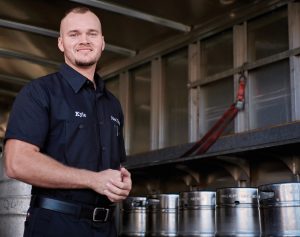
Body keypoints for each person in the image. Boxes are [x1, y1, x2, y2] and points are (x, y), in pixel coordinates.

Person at [3, 6, 132, 237]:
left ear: (102, 42)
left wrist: (122, 181)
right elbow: (16, 162)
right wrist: (93, 180)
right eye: (74, 34)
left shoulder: (112, 104)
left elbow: (115, 166)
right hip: (55, 226)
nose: (84, 40)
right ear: (61, 43)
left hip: (106, 227)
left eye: (92, 34)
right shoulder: (39, 92)